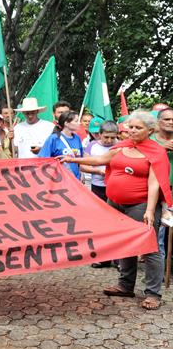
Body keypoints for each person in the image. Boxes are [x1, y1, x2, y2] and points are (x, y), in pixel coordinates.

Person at [62, 111, 172, 310]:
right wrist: (72, 160)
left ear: (150, 131)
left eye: (138, 128)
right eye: (130, 126)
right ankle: (125, 285)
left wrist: (149, 210)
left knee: (150, 248)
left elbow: (155, 183)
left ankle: (153, 293)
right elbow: (99, 160)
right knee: (125, 245)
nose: (132, 130)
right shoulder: (121, 146)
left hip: (140, 206)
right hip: (115, 203)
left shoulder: (156, 152)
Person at [80, 120, 119, 268]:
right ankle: (103, 256)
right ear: (99, 134)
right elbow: (83, 166)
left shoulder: (120, 146)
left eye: (112, 137)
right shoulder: (92, 146)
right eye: (106, 137)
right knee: (100, 223)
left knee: (115, 223)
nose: (109, 140)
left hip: (115, 189)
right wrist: (97, 170)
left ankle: (118, 257)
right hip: (97, 187)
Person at [151, 107, 173, 263]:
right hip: (156, 191)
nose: (171, 122)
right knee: (158, 232)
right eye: (167, 119)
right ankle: (157, 272)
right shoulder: (149, 140)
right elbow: (140, 160)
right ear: (158, 122)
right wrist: (161, 149)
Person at [39, 111, 83, 178]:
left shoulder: (77, 138)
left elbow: (80, 159)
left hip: (75, 180)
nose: (79, 123)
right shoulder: (54, 138)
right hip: (59, 180)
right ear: (66, 123)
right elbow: (43, 159)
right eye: (76, 121)